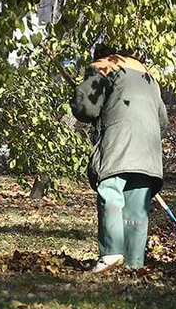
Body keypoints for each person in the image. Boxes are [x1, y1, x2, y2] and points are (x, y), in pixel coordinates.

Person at [71, 43, 168, 273]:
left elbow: (86, 109)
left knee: (110, 192)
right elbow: (162, 120)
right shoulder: (149, 76)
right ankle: (134, 263)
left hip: (118, 142)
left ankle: (112, 252)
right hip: (148, 148)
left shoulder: (103, 66)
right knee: (136, 205)